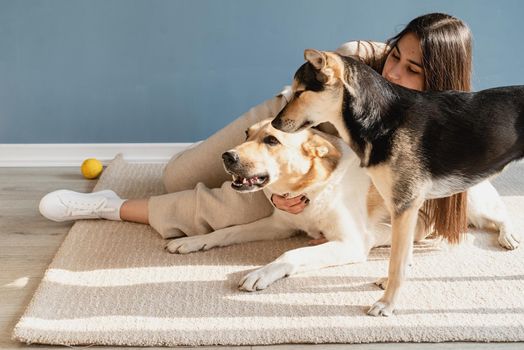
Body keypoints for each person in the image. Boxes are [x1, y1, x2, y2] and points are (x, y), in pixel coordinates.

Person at [39, 13, 473, 243]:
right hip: (281, 118)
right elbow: (329, 72)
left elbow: (427, 219)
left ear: (438, 82)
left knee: (233, 209)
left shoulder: (440, 127)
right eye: (395, 54)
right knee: (176, 176)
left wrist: (310, 196)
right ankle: (214, 161)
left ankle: (107, 206)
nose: (393, 72)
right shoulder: (354, 64)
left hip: (312, 162)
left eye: (411, 69)